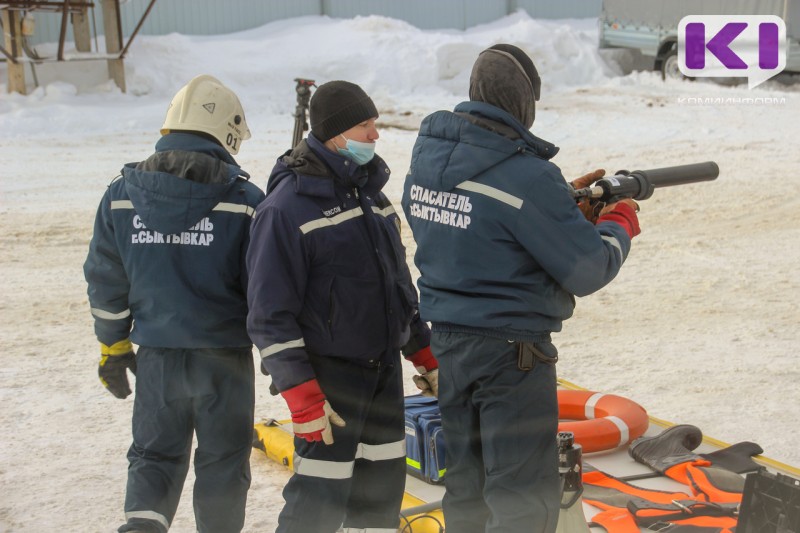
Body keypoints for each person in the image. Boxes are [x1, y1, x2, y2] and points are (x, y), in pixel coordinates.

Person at [400, 44, 641, 533]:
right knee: (521, 500)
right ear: (523, 103)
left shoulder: (427, 158)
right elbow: (588, 269)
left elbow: (479, 228)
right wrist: (618, 224)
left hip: (450, 344)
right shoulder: (529, 176)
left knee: (467, 486)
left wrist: (554, 212)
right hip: (512, 357)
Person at [246, 80, 437, 533]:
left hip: (384, 374)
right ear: (334, 133)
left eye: (374, 124)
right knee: (319, 501)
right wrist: (301, 395)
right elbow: (269, 315)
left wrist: (425, 355)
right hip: (330, 383)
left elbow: (397, 286)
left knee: (380, 495)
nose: (376, 135)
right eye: (365, 125)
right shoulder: (286, 208)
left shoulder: (370, 194)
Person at [83, 74, 265, 533]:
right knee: (223, 463)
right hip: (225, 363)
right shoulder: (244, 201)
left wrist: (113, 346)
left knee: (154, 457)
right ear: (227, 132)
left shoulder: (120, 197)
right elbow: (266, 289)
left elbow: (106, 280)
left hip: (158, 361)